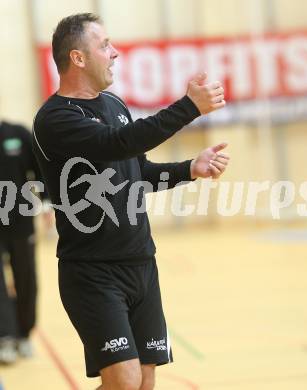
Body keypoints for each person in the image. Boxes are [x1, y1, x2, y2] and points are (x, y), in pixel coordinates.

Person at [33, 13, 229, 390]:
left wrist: (191, 167)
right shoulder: (55, 119)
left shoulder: (114, 105)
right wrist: (189, 107)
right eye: (104, 45)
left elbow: (138, 172)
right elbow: (118, 143)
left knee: (144, 382)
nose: (115, 52)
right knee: (123, 380)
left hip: (141, 264)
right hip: (92, 272)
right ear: (78, 58)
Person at [0, 119, 51, 364]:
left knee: (26, 277)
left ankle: (24, 334)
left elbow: (39, 169)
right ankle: (5, 337)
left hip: (20, 221)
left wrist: (47, 203)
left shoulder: (18, 133)